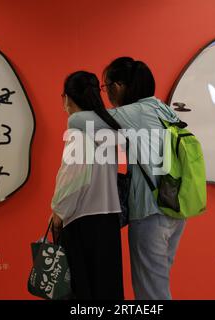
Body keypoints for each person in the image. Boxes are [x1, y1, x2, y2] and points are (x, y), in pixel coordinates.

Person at [68, 57, 185, 300]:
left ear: (119, 86)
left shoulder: (134, 113)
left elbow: (78, 120)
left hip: (150, 212)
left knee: (151, 293)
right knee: (159, 285)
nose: (106, 93)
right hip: (174, 208)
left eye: (106, 86)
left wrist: (75, 106)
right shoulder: (163, 109)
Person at [51, 71, 124, 300]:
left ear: (67, 98)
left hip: (83, 221)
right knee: (106, 290)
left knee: (82, 292)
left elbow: (72, 179)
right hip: (109, 219)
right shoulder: (108, 130)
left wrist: (58, 213)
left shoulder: (78, 132)